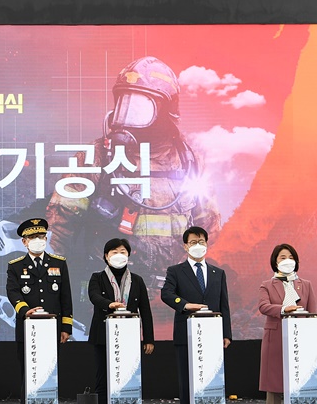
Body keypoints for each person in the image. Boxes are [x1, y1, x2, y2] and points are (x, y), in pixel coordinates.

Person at [45, 56, 221, 296]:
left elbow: (208, 227)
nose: (127, 115)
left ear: (166, 110)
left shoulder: (189, 161)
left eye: (139, 106)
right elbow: (60, 224)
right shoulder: (97, 156)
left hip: (174, 293)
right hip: (113, 290)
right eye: (124, 103)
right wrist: (49, 286)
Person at [4, 218, 73, 404]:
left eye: (41, 237)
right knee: (29, 376)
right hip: (28, 330)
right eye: (33, 238)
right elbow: (13, 292)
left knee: (49, 375)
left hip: (51, 330)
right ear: (24, 242)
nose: (38, 241)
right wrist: (26, 310)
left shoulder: (58, 263)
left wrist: (65, 327)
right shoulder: (15, 265)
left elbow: (65, 297)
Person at [160, 225, 231, 404]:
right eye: (193, 242)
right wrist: (185, 304)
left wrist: (226, 333)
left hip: (211, 334)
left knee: (210, 379)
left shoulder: (217, 273)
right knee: (187, 381)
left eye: (201, 242)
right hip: (186, 334)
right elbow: (166, 294)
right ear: (185, 246)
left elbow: (224, 304)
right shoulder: (175, 271)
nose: (198, 246)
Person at [87, 238, 155, 404]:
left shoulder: (138, 280)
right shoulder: (97, 277)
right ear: (106, 256)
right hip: (103, 336)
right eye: (114, 251)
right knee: (103, 380)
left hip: (129, 336)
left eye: (123, 251)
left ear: (129, 255)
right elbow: (94, 297)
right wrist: (111, 305)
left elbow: (145, 310)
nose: (119, 255)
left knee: (128, 380)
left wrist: (148, 338)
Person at [257, 244, 317, 404]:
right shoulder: (267, 284)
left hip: (300, 338)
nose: (287, 260)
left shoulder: (305, 284)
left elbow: (312, 312)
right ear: (275, 261)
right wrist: (285, 309)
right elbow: (264, 306)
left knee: (301, 380)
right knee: (274, 383)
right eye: (282, 257)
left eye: (291, 256)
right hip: (275, 337)